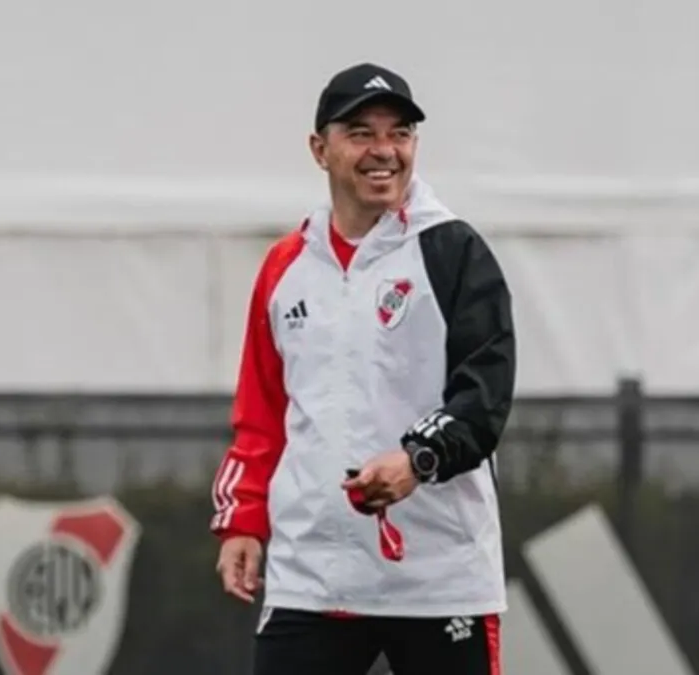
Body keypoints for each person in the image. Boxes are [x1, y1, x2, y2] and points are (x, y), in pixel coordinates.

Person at [208, 62, 516, 675]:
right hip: (310, 576)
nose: (384, 152)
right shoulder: (284, 265)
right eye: (361, 133)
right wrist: (243, 520)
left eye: (399, 133)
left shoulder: (454, 250)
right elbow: (262, 412)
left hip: (439, 576)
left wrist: (415, 461)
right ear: (320, 149)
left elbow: (484, 397)